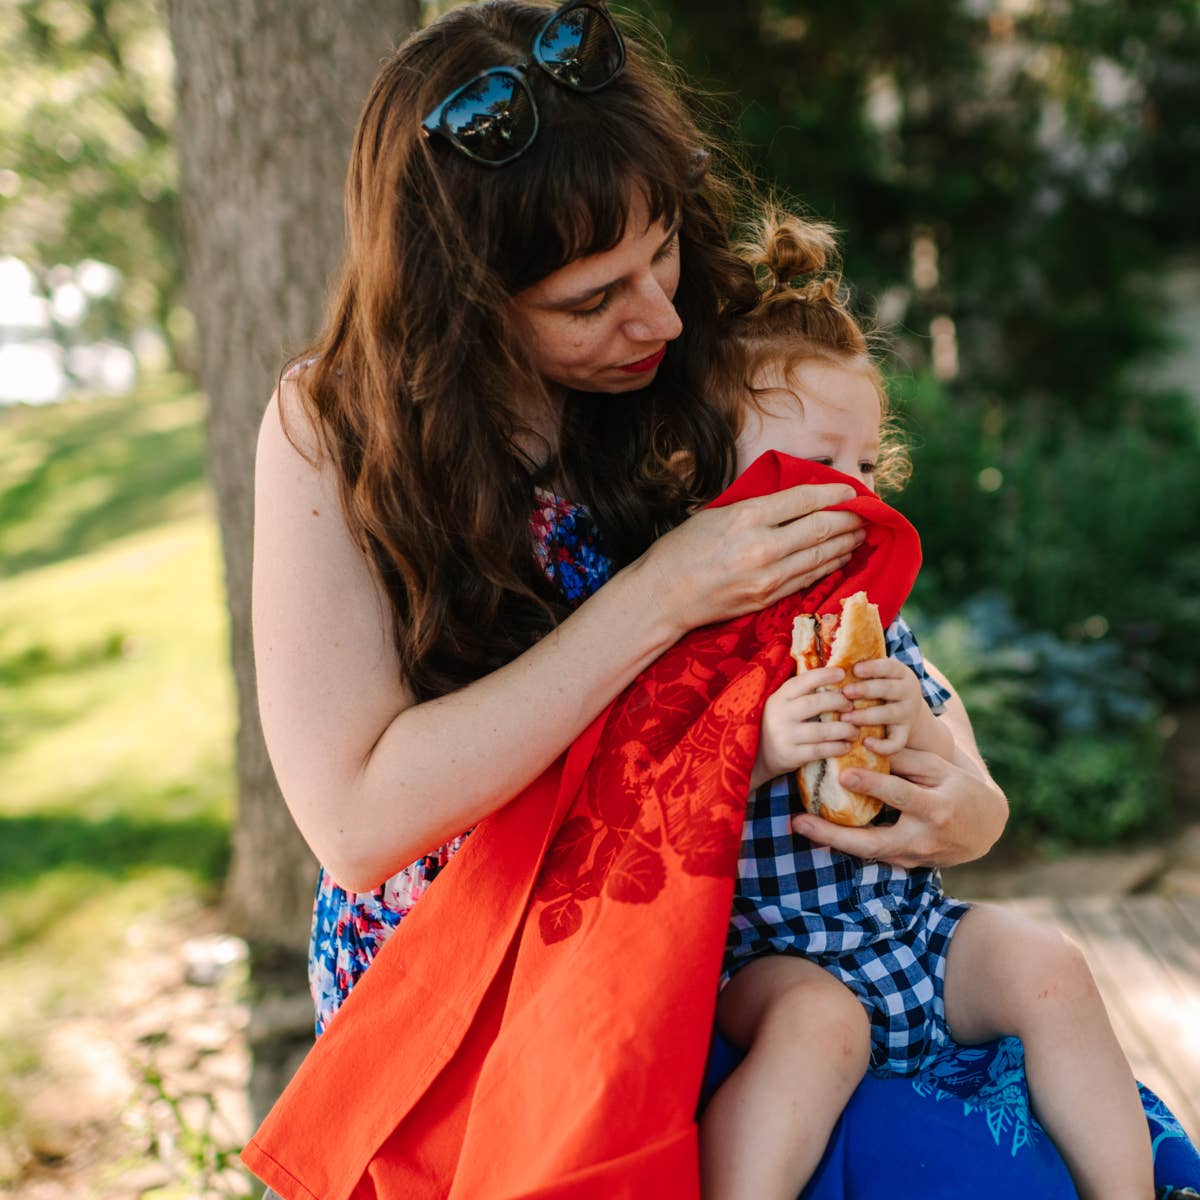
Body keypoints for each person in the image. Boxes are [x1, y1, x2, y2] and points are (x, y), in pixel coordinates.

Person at [245, 0, 1148, 1194]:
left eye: (662, 247)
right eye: (590, 299)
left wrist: (967, 798)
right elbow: (356, 821)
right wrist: (661, 594)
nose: (661, 316)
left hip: (761, 944)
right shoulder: (335, 433)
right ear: (459, 300)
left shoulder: (703, 351)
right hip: (506, 989)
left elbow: (853, 605)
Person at [695, 212, 1157, 1200]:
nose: (856, 493)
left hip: (913, 935)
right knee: (821, 1029)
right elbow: (651, 794)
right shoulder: (692, 639)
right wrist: (761, 745)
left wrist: (920, 739)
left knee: (1052, 966)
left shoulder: (871, 623)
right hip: (772, 962)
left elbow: (957, 765)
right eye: (822, 464)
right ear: (703, 478)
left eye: (867, 466)